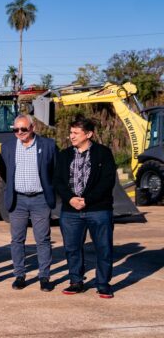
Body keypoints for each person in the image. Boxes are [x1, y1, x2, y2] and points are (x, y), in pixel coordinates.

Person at [54, 116, 117, 299]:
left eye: (76, 133)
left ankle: (103, 284)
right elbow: (57, 181)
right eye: (71, 132)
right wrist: (71, 199)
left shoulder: (103, 153)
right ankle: (76, 281)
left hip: (98, 210)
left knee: (103, 247)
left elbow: (107, 181)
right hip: (70, 211)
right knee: (72, 248)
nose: (71, 136)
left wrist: (87, 200)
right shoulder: (64, 155)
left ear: (88, 134)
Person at [0, 114, 58, 292]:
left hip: (40, 199)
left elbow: (55, 170)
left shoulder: (48, 145)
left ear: (32, 128)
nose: (19, 133)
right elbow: (4, 172)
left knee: (43, 239)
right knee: (17, 240)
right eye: (16, 129)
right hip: (18, 199)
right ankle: (19, 275)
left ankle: (44, 277)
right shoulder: (7, 147)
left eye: (23, 129)